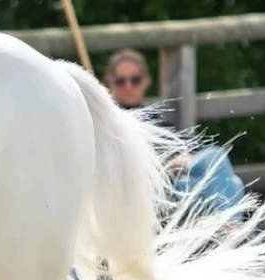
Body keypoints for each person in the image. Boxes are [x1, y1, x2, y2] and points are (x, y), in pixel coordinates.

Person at [103, 48, 245, 218]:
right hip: (150, 189)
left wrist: (185, 156)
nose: (128, 86)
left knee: (226, 178)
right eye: (120, 81)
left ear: (146, 81)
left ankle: (229, 227)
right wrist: (165, 166)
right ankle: (233, 228)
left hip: (177, 182)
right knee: (226, 179)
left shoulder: (154, 118)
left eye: (135, 80)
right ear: (109, 82)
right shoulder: (109, 121)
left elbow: (191, 144)